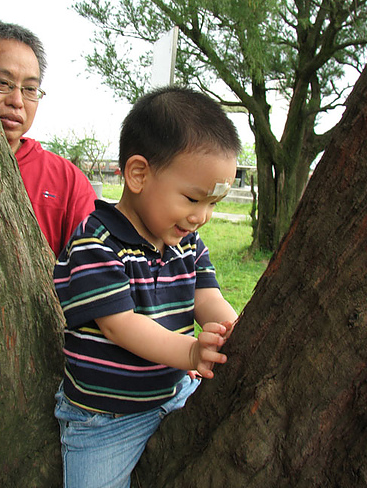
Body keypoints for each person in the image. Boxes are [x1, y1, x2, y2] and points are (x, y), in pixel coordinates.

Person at [53, 86, 242, 488]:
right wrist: (191, 351)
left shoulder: (185, 243)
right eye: (193, 198)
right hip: (105, 420)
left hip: (174, 394)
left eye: (212, 204)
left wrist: (235, 329)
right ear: (138, 174)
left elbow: (208, 298)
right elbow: (119, 325)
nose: (202, 216)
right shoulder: (96, 241)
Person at [0, 21, 96, 257]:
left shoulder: (67, 181)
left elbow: (93, 268)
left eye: (30, 89)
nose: (17, 101)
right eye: (2, 83)